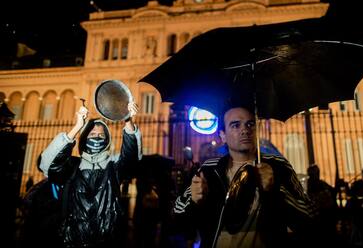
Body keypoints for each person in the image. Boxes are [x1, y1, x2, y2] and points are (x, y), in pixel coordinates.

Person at [173, 104, 316, 248]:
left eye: (250, 124)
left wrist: (276, 190)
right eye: (235, 125)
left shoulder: (278, 165)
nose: (245, 130)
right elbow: (177, 219)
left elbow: (310, 216)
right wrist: (194, 201)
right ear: (223, 135)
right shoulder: (209, 169)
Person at [39, 101, 142, 248]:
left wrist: (128, 120)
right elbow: (47, 165)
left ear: (107, 140)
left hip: (108, 242)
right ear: (84, 138)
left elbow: (132, 161)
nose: (97, 138)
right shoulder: (71, 167)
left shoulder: (114, 167)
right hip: (72, 241)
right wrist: (77, 127)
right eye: (92, 134)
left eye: (101, 135)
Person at [306, 164, 338, 245]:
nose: (317, 174)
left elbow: (332, 191)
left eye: (317, 172)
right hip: (319, 214)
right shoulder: (310, 184)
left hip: (327, 213)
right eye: (316, 172)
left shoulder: (321, 183)